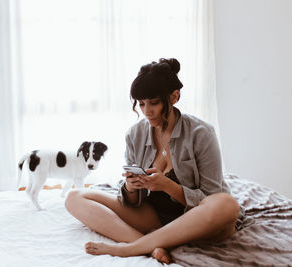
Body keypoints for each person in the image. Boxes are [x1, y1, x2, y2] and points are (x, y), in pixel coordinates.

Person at [65, 58, 243, 264]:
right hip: (156, 218)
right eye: (141, 104)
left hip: (196, 220)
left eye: (154, 103)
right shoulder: (135, 134)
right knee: (74, 197)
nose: (146, 111)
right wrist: (131, 188)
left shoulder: (201, 133)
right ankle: (151, 247)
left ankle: (131, 248)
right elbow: (133, 202)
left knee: (226, 204)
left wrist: (167, 186)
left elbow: (210, 196)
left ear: (174, 97)